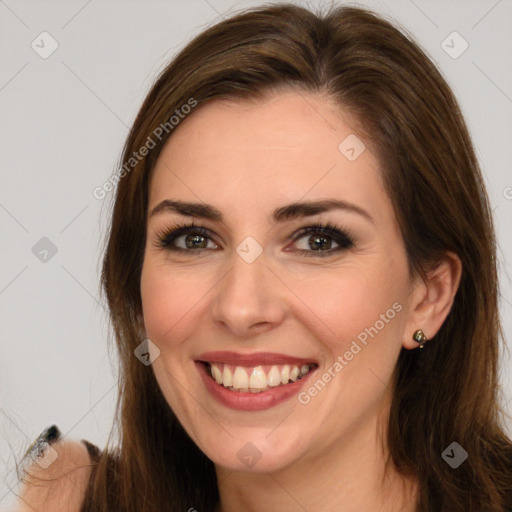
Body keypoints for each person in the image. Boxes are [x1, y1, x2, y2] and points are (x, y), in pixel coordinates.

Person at [15, 3, 512, 511]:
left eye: (318, 241)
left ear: (428, 296)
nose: (241, 307)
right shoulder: (63, 497)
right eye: (193, 239)